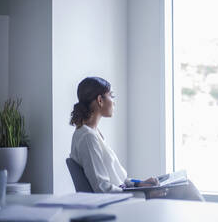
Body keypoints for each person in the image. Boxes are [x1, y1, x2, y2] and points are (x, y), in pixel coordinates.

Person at [69, 77, 204, 201]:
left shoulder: (92, 133)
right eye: (111, 95)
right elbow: (102, 188)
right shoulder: (87, 137)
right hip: (121, 203)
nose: (114, 101)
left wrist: (140, 184)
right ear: (100, 100)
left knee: (183, 182)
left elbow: (117, 180)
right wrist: (144, 194)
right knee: (185, 188)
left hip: (126, 194)